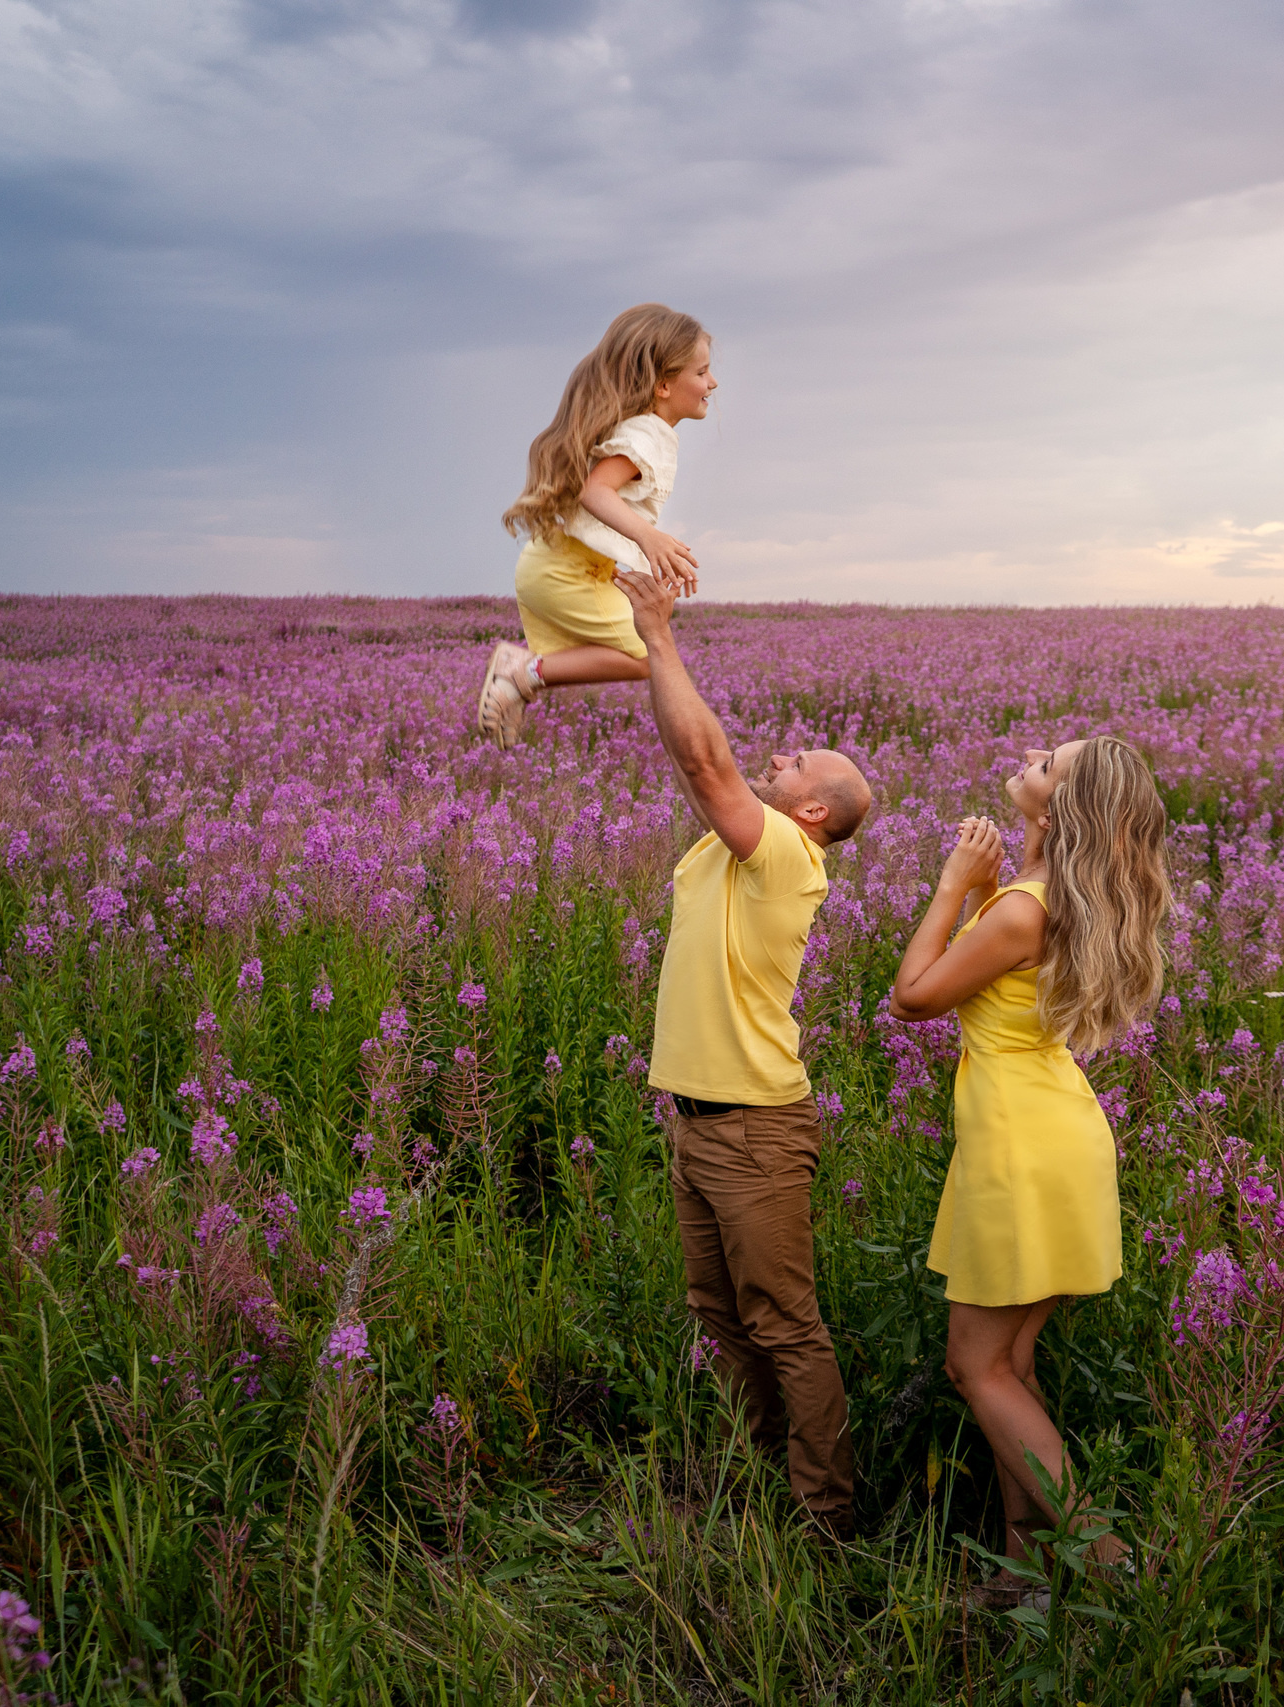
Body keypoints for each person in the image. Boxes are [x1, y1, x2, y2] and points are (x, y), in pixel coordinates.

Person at [615, 568, 873, 1541]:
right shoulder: (733, 851)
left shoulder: (786, 857)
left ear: (813, 814)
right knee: (721, 1324)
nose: (780, 755)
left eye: (799, 758)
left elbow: (706, 763)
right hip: (701, 1124)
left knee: (784, 1327)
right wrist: (649, 648)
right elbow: (700, 759)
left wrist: (657, 632)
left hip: (758, 1132)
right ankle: (748, 1487)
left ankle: (824, 1520)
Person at [889, 737, 1171, 1603]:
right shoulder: (1044, 897)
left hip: (1021, 1150)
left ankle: (1114, 1567)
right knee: (1009, 1364)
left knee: (974, 1368)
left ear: (1057, 808)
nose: (1028, 756)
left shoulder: (1025, 908)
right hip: (1053, 1135)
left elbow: (916, 997)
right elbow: (1003, 960)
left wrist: (949, 885)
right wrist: (987, 883)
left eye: (1047, 760)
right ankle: (1028, 1574)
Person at [478, 304, 717, 748]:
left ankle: (523, 669)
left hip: (565, 566)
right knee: (646, 655)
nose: (712, 383)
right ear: (663, 383)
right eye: (702, 373)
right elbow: (595, 492)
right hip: (568, 572)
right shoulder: (645, 434)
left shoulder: (648, 430)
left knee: (640, 647)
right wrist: (650, 538)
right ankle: (520, 674)